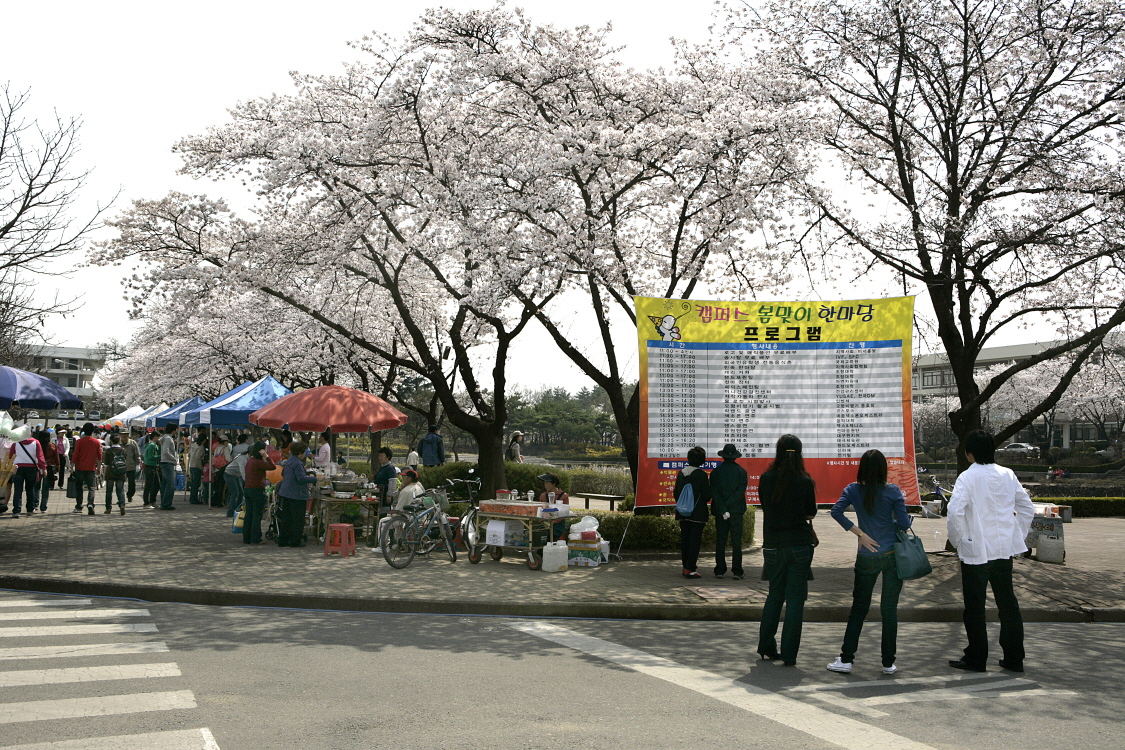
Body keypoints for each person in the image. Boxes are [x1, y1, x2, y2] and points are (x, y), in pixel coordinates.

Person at [947, 430, 1035, 673]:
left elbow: (954, 512)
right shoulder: (1007, 474)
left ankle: (977, 657)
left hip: (976, 550)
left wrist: (956, 541)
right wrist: (1017, 535)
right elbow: (1027, 508)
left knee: (975, 606)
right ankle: (1014, 658)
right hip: (1003, 549)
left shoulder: (968, 477)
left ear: (969, 453)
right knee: (1008, 603)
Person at [827, 449, 913, 675]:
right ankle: (888, 663)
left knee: (859, 608)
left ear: (862, 468)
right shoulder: (893, 491)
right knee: (889, 610)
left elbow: (836, 512)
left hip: (866, 555)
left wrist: (860, 534)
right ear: (884, 469)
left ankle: (846, 659)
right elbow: (904, 525)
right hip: (892, 555)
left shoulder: (853, 489)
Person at [756, 434, 817, 666]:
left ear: (778, 452)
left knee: (774, 596)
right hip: (800, 545)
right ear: (799, 453)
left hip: (772, 545)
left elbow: (765, 506)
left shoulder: (766, 478)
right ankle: (789, 654)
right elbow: (810, 513)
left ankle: (766, 646)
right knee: (795, 601)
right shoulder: (804, 481)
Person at [710, 443, 748, 580]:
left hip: (721, 511)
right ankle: (737, 571)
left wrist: (723, 509)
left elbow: (714, 492)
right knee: (736, 541)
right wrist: (729, 507)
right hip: (736, 511)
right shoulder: (741, 472)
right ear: (735, 457)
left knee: (721, 540)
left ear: (723, 457)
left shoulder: (716, 472)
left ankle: (719, 570)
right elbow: (740, 493)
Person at [673, 446, 712, 579]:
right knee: (695, 541)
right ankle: (691, 568)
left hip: (682, 513)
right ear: (702, 460)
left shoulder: (681, 473)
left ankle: (685, 567)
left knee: (685, 540)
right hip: (697, 514)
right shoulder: (701, 475)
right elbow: (707, 496)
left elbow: (676, 493)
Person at [276, 440, 317, 548]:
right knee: (297, 519)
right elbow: (301, 479)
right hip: (296, 495)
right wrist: (316, 478)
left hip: (285, 493)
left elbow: (283, 473)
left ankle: (283, 540)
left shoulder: (289, 461)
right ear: (301, 452)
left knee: (286, 518)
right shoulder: (298, 463)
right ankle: (295, 541)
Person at [242, 442, 275, 545]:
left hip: (248, 489)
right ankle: (255, 538)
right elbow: (273, 466)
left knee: (249, 514)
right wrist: (267, 456)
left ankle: (247, 537)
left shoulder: (250, 461)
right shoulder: (257, 462)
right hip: (256, 489)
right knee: (257, 515)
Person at [8, 431, 46, 519]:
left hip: (18, 468)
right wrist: (43, 467)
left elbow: (11, 456)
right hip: (31, 468)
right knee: (30, 489)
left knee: (18, 490)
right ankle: (30, 509)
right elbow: (40, 456)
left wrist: (10, 466)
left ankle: (16, 511)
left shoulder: (15, 443)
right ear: (30, 434)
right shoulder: (36, 442)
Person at [71, 423, 103, 515]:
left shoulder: (79, 442)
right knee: (91, 487)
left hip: (80, 467)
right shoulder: (96, 442)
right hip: (91, 468)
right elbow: (99, 456)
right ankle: (90, 503)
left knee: (79, 487)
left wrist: (72, 466)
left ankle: (79, 506)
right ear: (93, 431)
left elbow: (75, 454)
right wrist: (99, 467)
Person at [536, 472, 570, 541]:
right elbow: (540, 511)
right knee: (537, 533)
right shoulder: (543, 496)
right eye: (545, 483)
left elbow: (565, 513)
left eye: (547, 483)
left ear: (554, 484)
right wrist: (544, 521)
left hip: (558, 524)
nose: (545, 485)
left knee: (551, 535)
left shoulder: (564, 496)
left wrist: (553, 521)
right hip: (545, 523)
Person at [225, 434, 250, 518]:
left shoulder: (247, 458)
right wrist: (247, 481)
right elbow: (243, 471)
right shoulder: (243, 458)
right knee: (235, 493)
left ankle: (237, 510)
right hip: (229, 474)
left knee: (240, 493)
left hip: (236, 475)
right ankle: (230, 512)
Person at [102, 434, 128, 515]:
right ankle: (122, 505)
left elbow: (106, 464)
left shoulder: (109, 451)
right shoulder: (123, 450)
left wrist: (104, 474)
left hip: (111, 472)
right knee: (120, 490)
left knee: (109, 491)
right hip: (121, 472)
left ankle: (108, 508)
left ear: (111, 441)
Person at [34, 430, 59, 514]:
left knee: (36, 487)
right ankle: (43, 507)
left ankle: (35, 505)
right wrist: (57, 468)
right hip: (49, 468)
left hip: (37, 467)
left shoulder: (36, 446)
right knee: (45, 488)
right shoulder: (53, 446)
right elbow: (56, 458)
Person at [159, 424, 179, 510]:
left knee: (165, 484)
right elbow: (165, 452)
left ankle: (164, 502)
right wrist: (174, 459)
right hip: (168, 463)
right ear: (173, 430)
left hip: (165, 462)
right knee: (170, 484)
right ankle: (166, 503)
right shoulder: (168, 439)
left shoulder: (166, 438)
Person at [142, 431, 162, 509]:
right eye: (158, 437)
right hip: (150, 467)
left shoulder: (154, 445)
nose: (159, 439)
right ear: (155, 437)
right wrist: (160, 456)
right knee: (148, 485)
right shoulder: (151, 445)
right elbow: (151, 456)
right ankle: (146, 502)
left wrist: (160, 446)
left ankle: (152, 501)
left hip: (154, 467)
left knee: (156, 484)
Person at [211, 434, 232, 507]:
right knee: (222, 486)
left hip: (216, 468)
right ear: (224, 441)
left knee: (217, 486)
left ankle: (215, 500)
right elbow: (228, 459)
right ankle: (220, 502)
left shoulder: (217, 448)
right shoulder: (225, 448)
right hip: (223, 468)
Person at [121, 430, 142, 503]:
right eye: (122, 435)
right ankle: (121, 497)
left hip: (131, 466)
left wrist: (138, 464)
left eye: (126, 435)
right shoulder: (118, 443)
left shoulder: (133, 443)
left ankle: (130, 495)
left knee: (132, 483)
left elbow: (137, 454)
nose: (124, 437)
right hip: (120, 467)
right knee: (120, 483)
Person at [187, 434, 208, 505]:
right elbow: (198, 457)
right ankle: (194, 499)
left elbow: (189, 454)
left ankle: (192, 498)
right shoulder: (201, 447)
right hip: (196, 466)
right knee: (196, 483)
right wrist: (200, 467)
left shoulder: (193, 445)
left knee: (193, 483)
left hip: (191, 465)